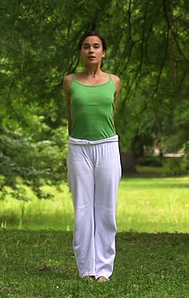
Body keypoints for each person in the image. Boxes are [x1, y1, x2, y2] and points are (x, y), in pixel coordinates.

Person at [62, 31, 122, 282]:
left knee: (106, 211)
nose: (91, 50)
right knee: (84, 211)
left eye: (96, 46)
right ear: (81, 52)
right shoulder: (69, 81)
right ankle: (87, 269)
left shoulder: (115, 81)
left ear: (103, 52)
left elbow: (112, 114)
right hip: (79, 148)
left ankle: (104, 271)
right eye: (86, 46)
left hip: (107, 146)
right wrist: (76, 142)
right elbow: (70, 116)